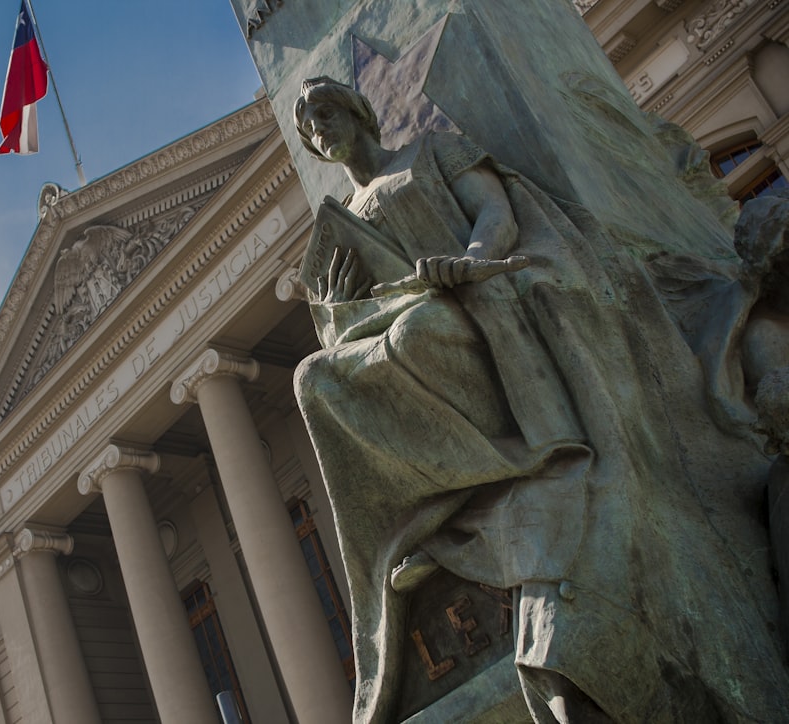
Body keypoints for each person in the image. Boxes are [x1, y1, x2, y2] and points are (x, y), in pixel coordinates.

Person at [291, 77, 789, 723]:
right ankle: (426, 507)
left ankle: (498, 462)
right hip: (417, 311)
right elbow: (356, 309)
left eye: (329, 111)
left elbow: (494, 211)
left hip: (475, 291)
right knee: (314, 377)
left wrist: (468, 260)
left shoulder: (432, 151)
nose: (322, 127)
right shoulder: (348, 216)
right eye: (310, 126)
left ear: (358, 113)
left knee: (415, 336)